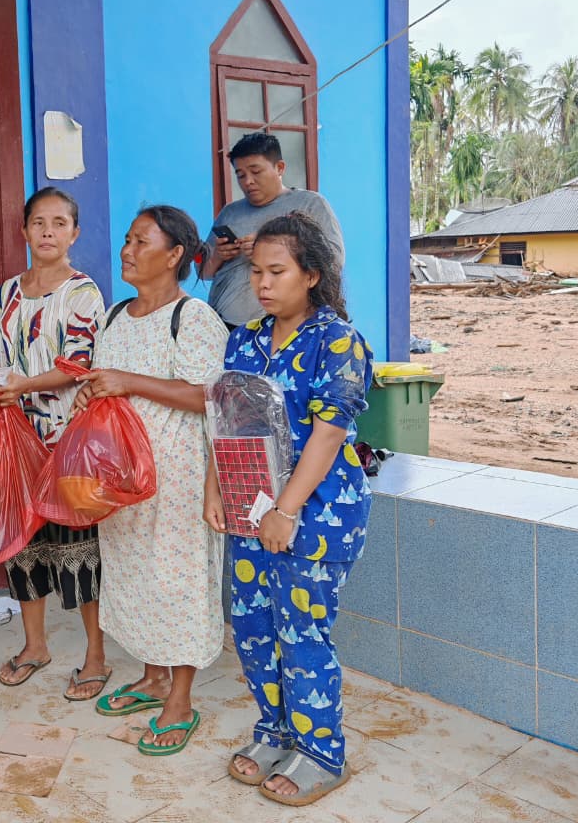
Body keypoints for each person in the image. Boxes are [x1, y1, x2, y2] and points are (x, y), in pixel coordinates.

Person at [206, 211, 372, 806]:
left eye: (277, 271)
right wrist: (215, 490)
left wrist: (286, 510)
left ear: (312, 275)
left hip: (316, 513)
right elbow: (227, 421)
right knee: (253, 629)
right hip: (249, 507)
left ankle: (322, 752)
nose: (263, 283)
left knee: (303, 633)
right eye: (256, 271)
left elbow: (329, 435)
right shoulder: (245, 339)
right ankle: (275, 732)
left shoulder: (337, 341)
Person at [85, 206, 228, 756]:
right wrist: (94, 391)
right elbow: (106, 383)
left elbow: (207, 395)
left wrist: (128, 381)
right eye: (126, 239)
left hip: (178, 480)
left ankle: (181, 700)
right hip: (122, 478)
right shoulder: (115, 316)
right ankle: (153, 677)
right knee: (133, 576)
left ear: (174, 256)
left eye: (141, 241)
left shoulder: (194, 318)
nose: (127, 250)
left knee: (177, 583)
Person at [0, 188, 110, 700]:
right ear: (24, 230)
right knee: (23, 546)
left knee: (79, 547)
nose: (48, 232)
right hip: (16, 439)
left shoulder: (83, 293)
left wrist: (22, 386)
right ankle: (34, 646)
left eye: (60, 223)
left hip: (67, 440)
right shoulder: (5, 294)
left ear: (74, 233)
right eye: (39, 222)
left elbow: (78, 365)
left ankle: (96, 655)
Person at [202, 133, 344, 330]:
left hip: (283, 326)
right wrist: (218, 256)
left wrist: (269, 249)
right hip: (223, 324)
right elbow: (203, 272)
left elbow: (334, 260)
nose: (248, 181)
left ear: (280, 168)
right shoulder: (230, 213)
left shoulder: (310, 204)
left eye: (256, 171)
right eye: (240, 175)